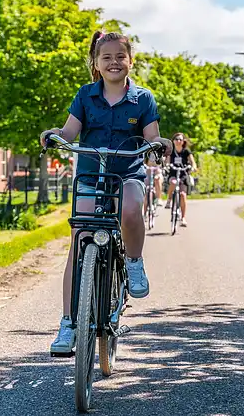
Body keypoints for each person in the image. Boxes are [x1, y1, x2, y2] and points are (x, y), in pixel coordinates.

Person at [40, 31, 172, 355]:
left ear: (130, 60)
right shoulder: (85, 95)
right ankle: (69, 323)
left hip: (126, 172)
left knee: (129, 211)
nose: (114, 62)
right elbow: (69, 131)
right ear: (96, 63)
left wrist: (159, 146)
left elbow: (152, 136)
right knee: (81, 236)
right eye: (106, 57)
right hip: (90, 174)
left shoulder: (143, 99)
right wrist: (55, 135)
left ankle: (134, 261)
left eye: (120, 56)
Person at [164, 132, 197, 227]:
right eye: (176, 139)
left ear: (183, 141)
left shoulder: (186, 151)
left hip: (183, 174)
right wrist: (167, 165)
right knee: (173, 182)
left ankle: (183, 218)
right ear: (173, 141)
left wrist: (193, 167)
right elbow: (167, 161)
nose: (178, 141)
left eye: (180, 139)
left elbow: (193, 162)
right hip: (173, 173)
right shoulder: (171, 151)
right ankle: (169, 200)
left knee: (183, 195)